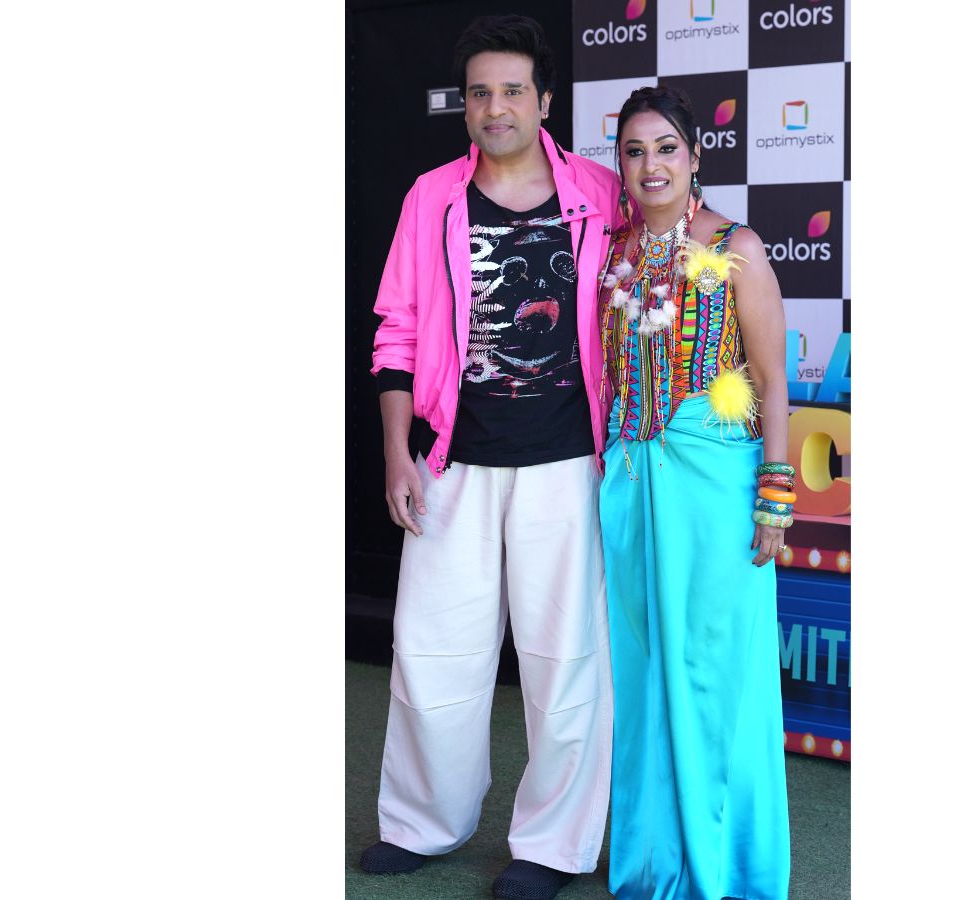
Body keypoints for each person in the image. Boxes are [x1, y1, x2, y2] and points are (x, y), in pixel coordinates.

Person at [361, 15, 622, 900]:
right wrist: (397, 453)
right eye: (481, 93)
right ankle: (423, 824)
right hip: (452, 461)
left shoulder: (597, 191)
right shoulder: (430, 196)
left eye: (513, 90)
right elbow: (396, 330)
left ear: (545, 100)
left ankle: (553, 847)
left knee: (567, 662)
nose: (496, 107)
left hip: (568, 461)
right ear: (466, 106)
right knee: (431, 651)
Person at [597, 85, 792, 899]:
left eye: (666, 148)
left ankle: (727, 870)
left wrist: (775, 496)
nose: (652, 165)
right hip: (631, 489)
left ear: (695, 155)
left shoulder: (736, 245)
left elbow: (772, 383)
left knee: (715, 673)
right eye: (635, 151)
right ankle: (656, 865)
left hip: (715, 489)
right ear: (620, 164)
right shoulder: (613, 253)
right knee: (644, 675)